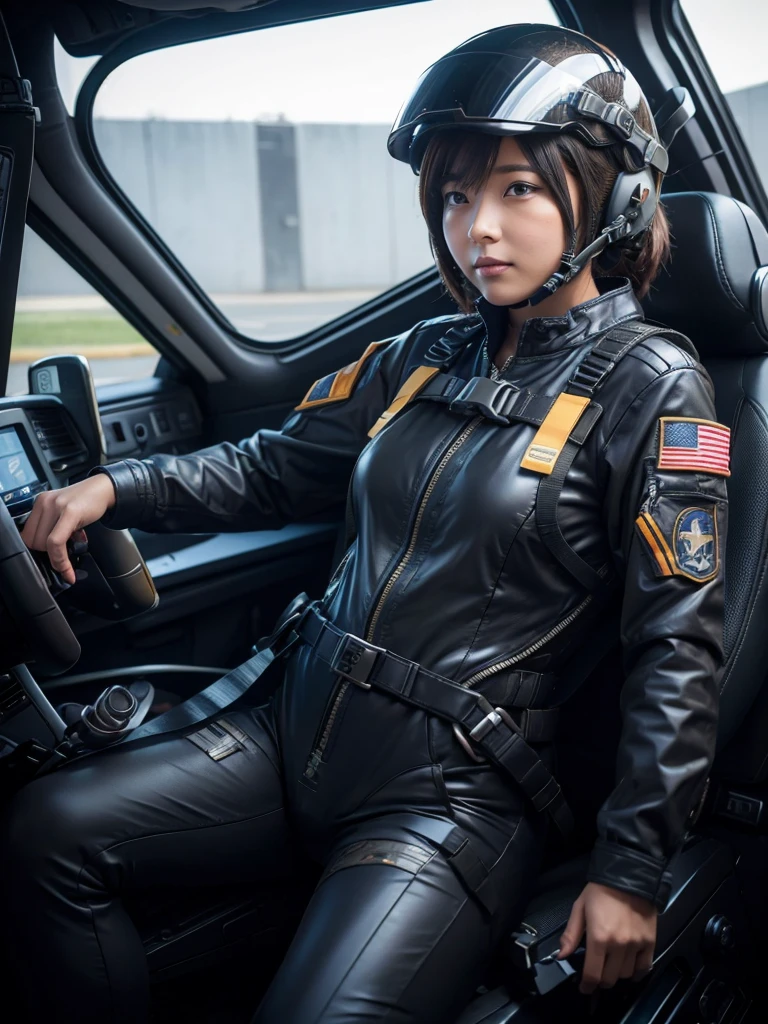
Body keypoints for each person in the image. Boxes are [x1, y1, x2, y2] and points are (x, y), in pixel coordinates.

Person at [0, 24, 728, 1024]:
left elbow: (678, 644)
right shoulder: (422, 353)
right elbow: (270, 469)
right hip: (293, 729)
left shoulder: (658, 388)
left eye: (517, 188)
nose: (478, 226)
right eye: (455, 194)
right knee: (42, 835)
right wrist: (119, 488)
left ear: (616, 195)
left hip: (449, 797)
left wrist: (633, 867)